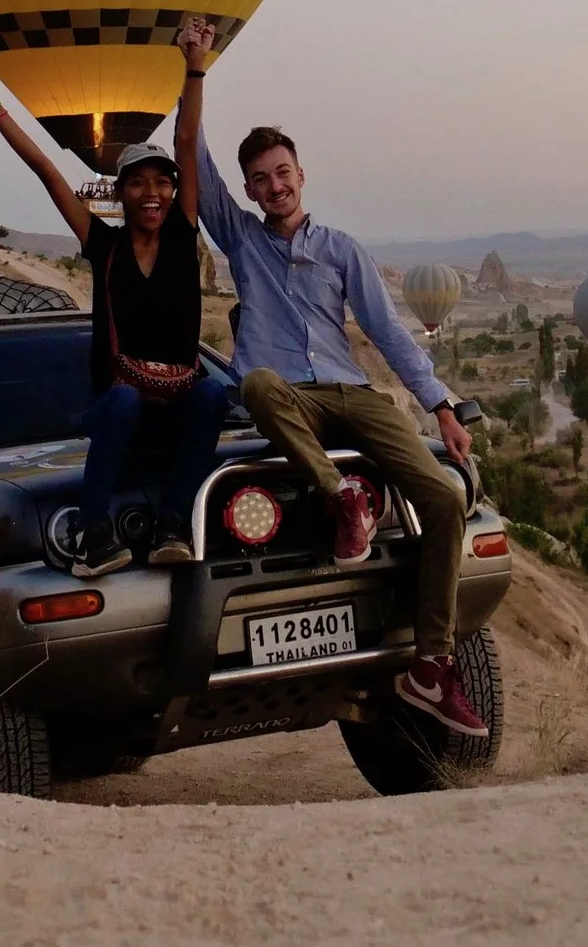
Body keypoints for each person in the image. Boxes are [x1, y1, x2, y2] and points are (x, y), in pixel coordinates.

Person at [194, 123, 490, 737]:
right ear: (248, 191)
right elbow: (196, 166)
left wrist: (440, 404)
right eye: (260, 180)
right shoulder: (243, 242)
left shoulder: (342, 249)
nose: (273, 186)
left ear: (301, 176)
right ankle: (341, 498)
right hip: (288, 399)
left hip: (351, 392)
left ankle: (433, 666)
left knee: (443, 495)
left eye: (282, 173)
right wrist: (191, 74)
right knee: (255, 385)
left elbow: (387, 332)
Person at [0, 21, 228, 579]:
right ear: (119, 192)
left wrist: (194, 68)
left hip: (175, 398)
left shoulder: (181, 234)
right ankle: (93, 533)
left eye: (162, 184)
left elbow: (186, 141)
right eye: (139, 183)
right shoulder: (103, 246)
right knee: (121, 402)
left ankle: (175, 523)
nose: (153, 193)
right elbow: (48, 171)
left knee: (215, 396)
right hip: (119, 407)